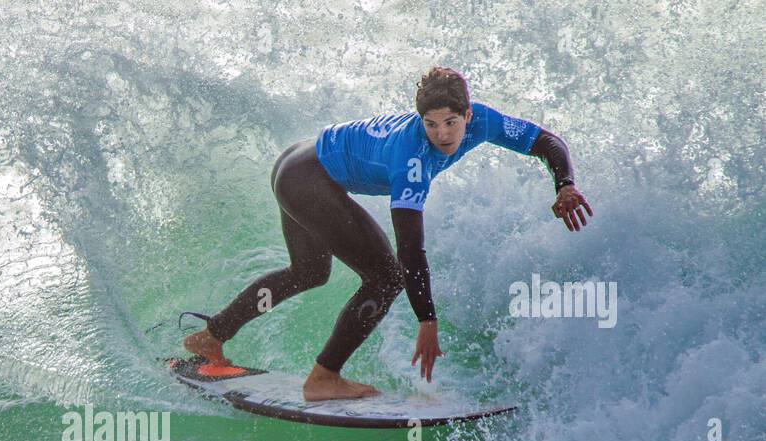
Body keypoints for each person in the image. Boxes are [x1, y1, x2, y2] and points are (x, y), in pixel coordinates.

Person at [182, 67, 592, 400]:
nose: (442, 135)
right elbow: (410, 251)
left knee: (309, 271)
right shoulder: (411, 157)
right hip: (306, 177)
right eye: (431, 125)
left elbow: (546, 141)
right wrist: (426, 320)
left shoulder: (485, 120)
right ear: (421, 121)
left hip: (299, 163)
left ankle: (211, 337)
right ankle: (324, 378)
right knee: (387, 276)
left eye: (451, 122)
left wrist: (565, 185)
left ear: (469, 116)